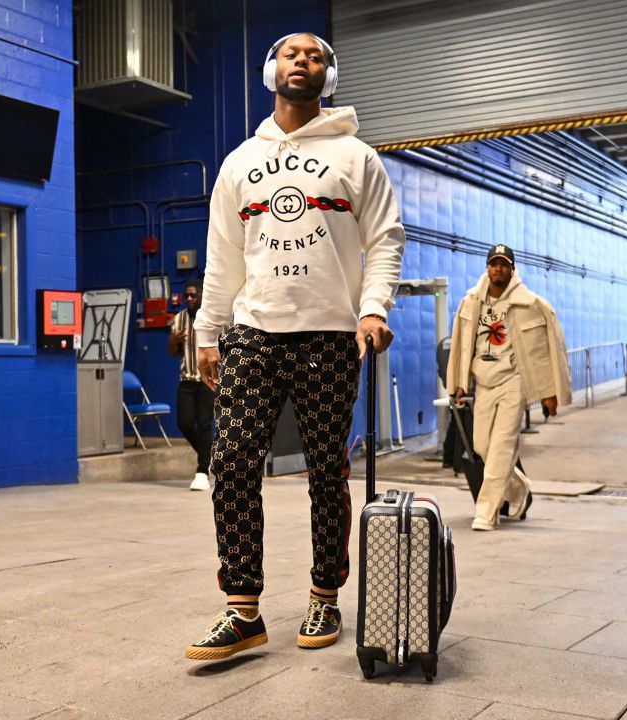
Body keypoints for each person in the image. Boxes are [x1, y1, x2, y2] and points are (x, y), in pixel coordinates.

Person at [183, 31, 405, 661]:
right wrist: (207, 331)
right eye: (290, 54)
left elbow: (385, 240)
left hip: (331, 335)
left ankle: (323, 594)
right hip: (253, 333)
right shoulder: (238, 163)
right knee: (230, 461)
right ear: (270, 70)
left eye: (314, 56)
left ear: (326, 76)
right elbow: (223, 255)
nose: (301, 62)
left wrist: (371, 309)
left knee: (324, 471)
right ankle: (242, 610)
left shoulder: (357, 157)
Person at [446, 244, 571, 531]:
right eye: (493, 264)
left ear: (512, 268)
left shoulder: (531, 304)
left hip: (514, 381)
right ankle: (519, 489)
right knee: (482, 447)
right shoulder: (471, 302)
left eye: (503, 264)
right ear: (487, 267)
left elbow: (546, 352)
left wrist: (549, 393)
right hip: (484, 382)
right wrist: (459, 384)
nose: (498, 269)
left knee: (501, 447)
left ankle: (486, 512)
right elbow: (462, 346)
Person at [167, 278, 214, 491]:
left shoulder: (212, 320)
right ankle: (209, 455)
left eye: (193, 295)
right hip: (186, 380)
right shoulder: (179, 319)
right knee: (184, 423)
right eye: (186, 295)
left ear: (202, 296)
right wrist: (174, 339)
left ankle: (202, 471)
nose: (189, 298)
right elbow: (172, 352)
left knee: (205, 424)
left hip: (207, 381)